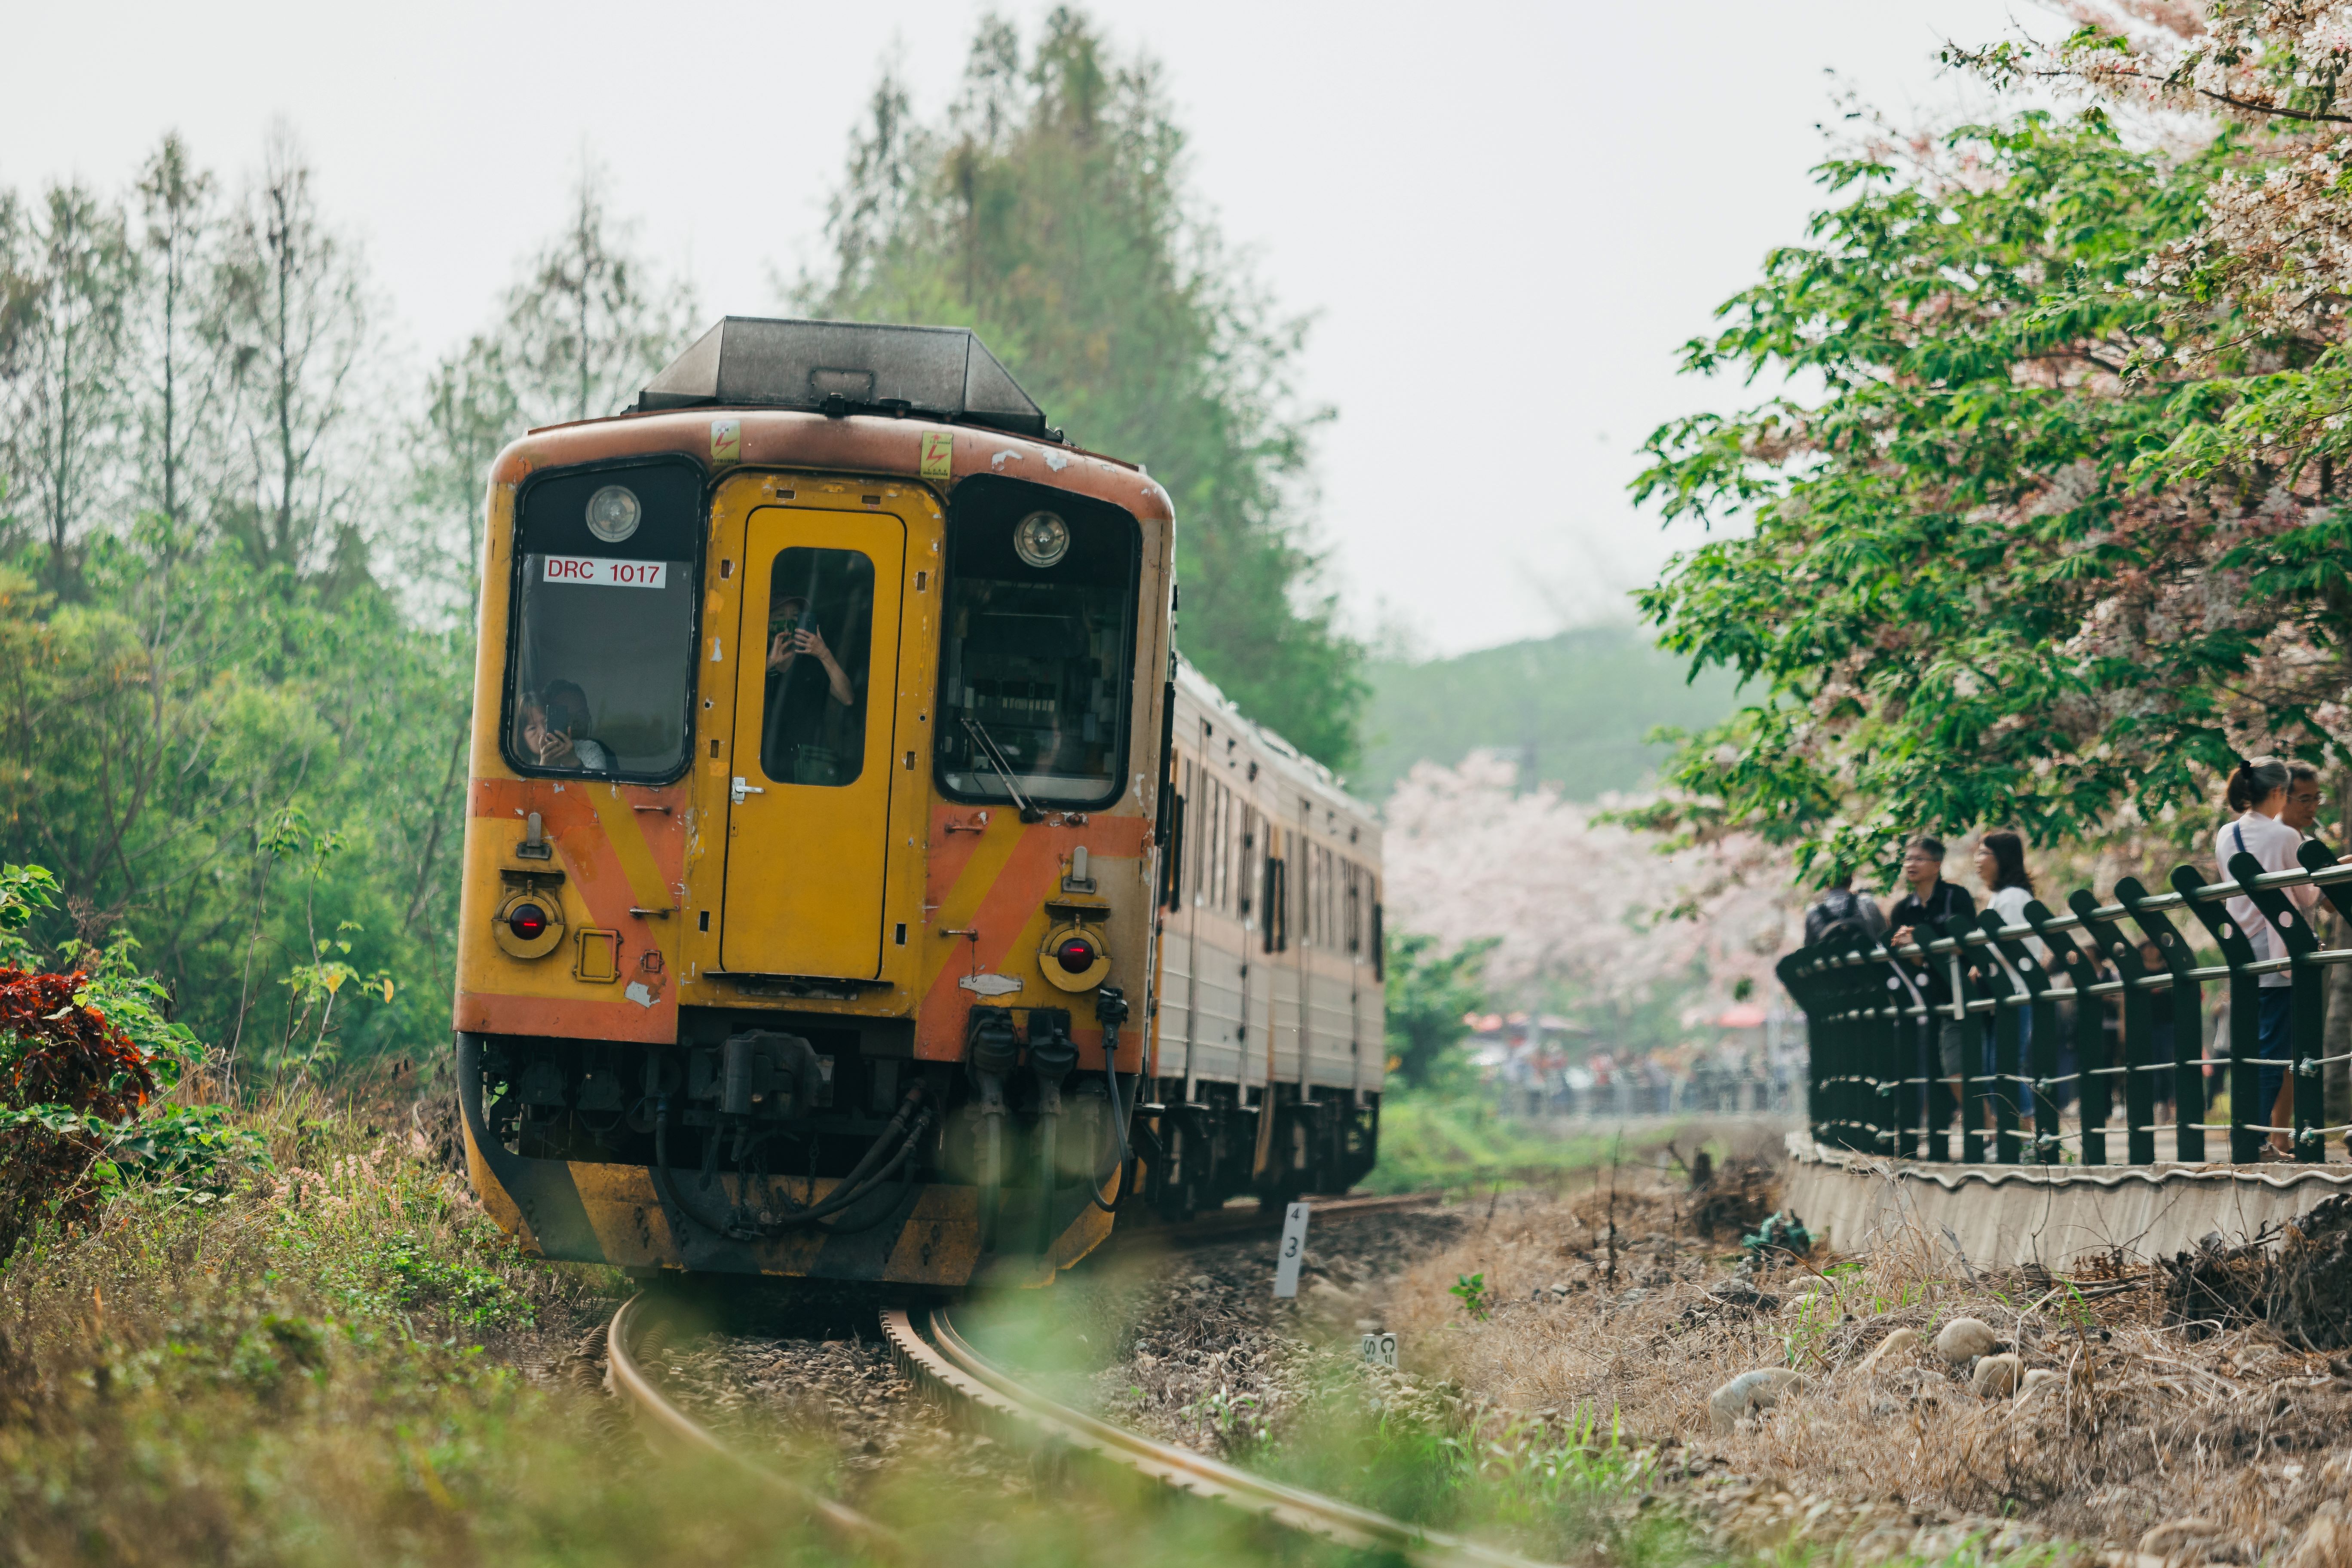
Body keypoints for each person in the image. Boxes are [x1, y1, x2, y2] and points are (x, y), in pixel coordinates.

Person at [2216, 756, 2321, 1156]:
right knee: (2275, 1048)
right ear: (2279, 792)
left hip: (2241, 949)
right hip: (2279, 951)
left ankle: (2247, 1132)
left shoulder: (2227, 834)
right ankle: (2256, 1138)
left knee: (2249, 1044)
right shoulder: (2285, 838)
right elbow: (2306, 896)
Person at [1887, 836, 1979, 1121]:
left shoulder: (1956, 897)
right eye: (1908, 859)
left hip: (1971, 992)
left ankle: (1998, 1133)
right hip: (1932, 998)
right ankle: (1983, 1130)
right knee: (1945, 1070)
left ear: (1937, 864)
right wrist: (1909, 946)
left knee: (1976, 1066)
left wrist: (1923, 941)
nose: (1910, 865)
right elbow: (1917, 963)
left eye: (1919, 859)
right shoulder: (1902, 910)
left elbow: (1969, 943)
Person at [1973, 830, 2042, 1127]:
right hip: (2000, 993)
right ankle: (2010, 1137)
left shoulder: (2013, 898)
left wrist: (1977, 958)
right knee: (1996, 1068)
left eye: (1984, 853)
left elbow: (2011, 947)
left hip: (2013, 992)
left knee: (2005, 1067)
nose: (1977, 861)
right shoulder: (2001, 897)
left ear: (2002, 858)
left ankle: (2028, 1138)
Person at [519, 680, 613, 772]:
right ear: (522, 738)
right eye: (532, 728)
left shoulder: (589, 749)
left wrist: (574, 764)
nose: (543, 731)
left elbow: (598, 787)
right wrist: (545, 770)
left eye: (547, 722)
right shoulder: (516, 764)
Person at [1804, 871, 1890, 947]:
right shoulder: (1867, 903)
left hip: (1832, 964)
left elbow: (1809, 948)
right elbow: (1885, 934)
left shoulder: (1813, 913)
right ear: (1851, 882)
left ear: (1826, 885)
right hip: (1868, 963)